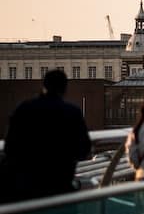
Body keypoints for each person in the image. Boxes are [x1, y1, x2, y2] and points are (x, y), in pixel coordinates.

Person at [0, 70, 91, 203]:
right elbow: (84, 149)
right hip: (61, 186)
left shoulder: (24, 109)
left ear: (44, 85)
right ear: (65, 88)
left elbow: (10, 147)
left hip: (29, 188)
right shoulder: (73, 112)